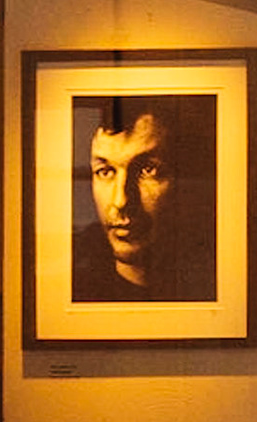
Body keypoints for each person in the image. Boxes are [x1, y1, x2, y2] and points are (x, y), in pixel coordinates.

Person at [72, 97, 217, 302]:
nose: (121, 201)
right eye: (105, 171)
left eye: (148, 170)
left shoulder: (212, 283)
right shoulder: (77, 282)